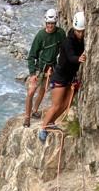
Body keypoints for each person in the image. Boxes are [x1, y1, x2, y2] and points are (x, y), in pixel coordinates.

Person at [39, 10, 86, 141]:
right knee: (56, 105)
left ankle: (51, 122)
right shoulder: (68, 41)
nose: (80, 34)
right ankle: (43, 128)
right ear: (74, 29)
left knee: (66, 105)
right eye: (78, 31)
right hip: (60, 77)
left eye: (82, 31)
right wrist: (79, 59)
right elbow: (71, 57)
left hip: (69, 77)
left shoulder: (79, 40)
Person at [23, 9, 65, 128]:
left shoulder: (60, 34)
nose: (50, 26)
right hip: (40, 68)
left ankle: (35, 110)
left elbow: (63, 49)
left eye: (52, 24)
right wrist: (32, 73)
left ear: (55, 23)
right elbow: (32, 56)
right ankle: (27, 117)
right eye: (48, 24)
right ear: (46, 23)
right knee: (31, 91)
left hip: (51, 67)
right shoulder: (40, 36)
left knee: (42, 90)